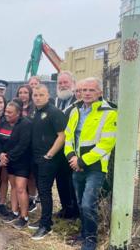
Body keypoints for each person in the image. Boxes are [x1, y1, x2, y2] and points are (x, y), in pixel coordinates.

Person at [64, 77, 117, 250]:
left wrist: (82, 161)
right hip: (76, 165)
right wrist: (71, 156)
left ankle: (91, 240)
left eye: (91, 90)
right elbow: (69, 136)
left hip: (95, 167)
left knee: (88, 203)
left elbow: (106, 144)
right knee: (80, 202)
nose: (86, 93)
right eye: (83, 90)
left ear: (100, 93)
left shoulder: (109, 113)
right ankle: (84, 233)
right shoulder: (75, 111)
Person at [28, 84, 67, 240]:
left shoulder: (55, 112)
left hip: (48, 160)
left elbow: (62, 136)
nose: (37, 97)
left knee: (45, 191)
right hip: (36, 158)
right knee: (41, 190)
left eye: (41, 95)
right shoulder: (36, 112)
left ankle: (46, 226)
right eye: (35, 95)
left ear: (48, 95)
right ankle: (45, 218)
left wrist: (49, 155)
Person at [0, 101, 32, 229]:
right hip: (8, 160)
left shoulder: (26, 124)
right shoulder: (3, 123)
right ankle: (14, 212)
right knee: (13, 187)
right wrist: (0, 154)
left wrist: (7, 157)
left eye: (10, 112)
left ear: (18, 113)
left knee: (21, 188)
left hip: (22, 161)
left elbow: (23, 144)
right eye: (6, 111)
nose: (6, 114)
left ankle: (24, 217)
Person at [53, 71, 79, 219]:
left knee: (72, 181)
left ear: (73, 84)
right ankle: (65, 208)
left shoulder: (78, 101)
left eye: (65, 82)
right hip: (58, 148)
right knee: (60, 179)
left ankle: (75, 210)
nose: (63, 86)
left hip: (72, 149)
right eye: (60, 83)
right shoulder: (56, 102)